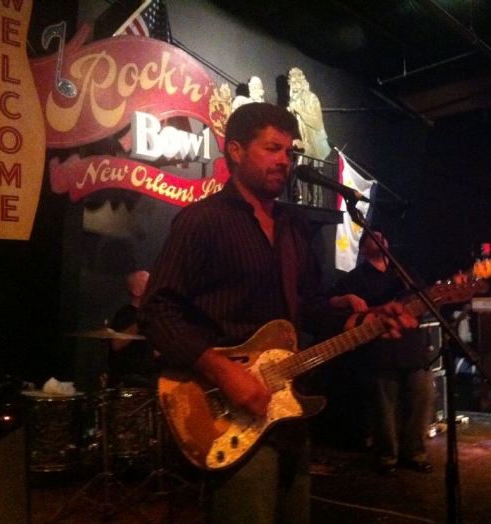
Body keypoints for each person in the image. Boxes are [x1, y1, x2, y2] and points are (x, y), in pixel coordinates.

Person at [137, 102, 417, 524]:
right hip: (228, 411)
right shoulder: (202, 221)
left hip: (287, 405)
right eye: (272, 149)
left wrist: (367, 320)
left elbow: (308, 308)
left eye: (288, 152)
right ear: (234, 150)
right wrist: (220, 370)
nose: (285, 161)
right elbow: (157, 312)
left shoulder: (293, 225)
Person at [329, 229, 434, 474]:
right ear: (363, 248)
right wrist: (347, 298)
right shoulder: (355, 277)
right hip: (380, 351)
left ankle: (416, 453)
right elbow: (328, 302)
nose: (379, 239)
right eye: (371, 237)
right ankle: (388, 457)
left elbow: (427, 300)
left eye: (382, 236)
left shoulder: (403, 271)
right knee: (385, 408)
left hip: (412, 347)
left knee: (423, 398)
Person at [107, 270, 159, 389]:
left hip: (148, 375)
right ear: (137, 291)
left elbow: (148, 350)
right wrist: (140, 322)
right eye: (148, 282)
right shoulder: (125, 313)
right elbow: (116, 344)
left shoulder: (152, 315)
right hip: (130, 380)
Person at [287, 67, 330, 160]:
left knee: (318, 169)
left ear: (302, 83)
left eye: (298, 82)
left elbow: (317, 124)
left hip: (317, 144)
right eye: (293, 83)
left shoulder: (311, 98)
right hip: (306, 145)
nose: (295, 86)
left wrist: (299, 110)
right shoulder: (294, 100)